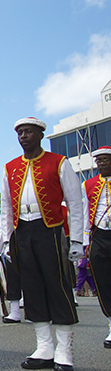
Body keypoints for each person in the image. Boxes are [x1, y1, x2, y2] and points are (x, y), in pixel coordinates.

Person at [0, 117, 83, 371]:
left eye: (28, 132)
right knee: (32, 287)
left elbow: (75, 202)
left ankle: (64, 350)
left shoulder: (59, 162)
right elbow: (5, 206)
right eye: (20, 132)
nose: (23, 136)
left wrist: (78, 239)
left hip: (50, 229)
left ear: (40, 135)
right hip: (22, 230)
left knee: (57, 284)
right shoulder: (10, 167)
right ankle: (44, 346)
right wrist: (4, 238)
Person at [81, 146, 111, 349]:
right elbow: (84, 214)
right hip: (99, 236)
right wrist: (84, 242)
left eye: (105, 159)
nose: (101, 163)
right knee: (102, 280)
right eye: (98, 160)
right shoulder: (88, 184)